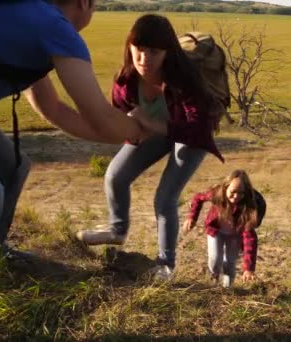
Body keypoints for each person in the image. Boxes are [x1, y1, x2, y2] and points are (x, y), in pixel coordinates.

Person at [0, 0, 147, 340]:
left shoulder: (29, 15)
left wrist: (126, 131)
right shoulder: (53, 27)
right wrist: (143, 129)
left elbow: (52, 110)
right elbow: (99, 117)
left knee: (12, 164)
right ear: (84, 3)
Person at [75, 14, 224, 281]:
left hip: (191, 136)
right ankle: (117, 230)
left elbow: (198, 130)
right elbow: (121, 115)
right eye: (139, 50)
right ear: (129, 47)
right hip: (157, 130)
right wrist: (134, 133)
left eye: (154, 52)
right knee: (115, 176)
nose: (144, 59)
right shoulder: (126, 80)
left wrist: (152, 125)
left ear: (167, 52)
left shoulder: (186, 79)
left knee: (164, 198)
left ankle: (166, 265)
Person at [183, 170, 266, 288]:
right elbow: (198, 198)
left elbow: (250, 238)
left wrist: (249, 268)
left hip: (236, 235)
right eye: (233, 192)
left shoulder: (249, 207)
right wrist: (192, 217)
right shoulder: (216, 194)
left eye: (241, 193)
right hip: (216, 231)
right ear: (225, 188)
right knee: (215, 259)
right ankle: (213, 281)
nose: (236, 196)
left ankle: (227, 289)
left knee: (230, 262)